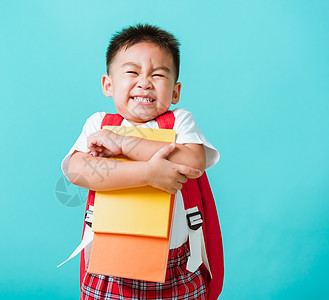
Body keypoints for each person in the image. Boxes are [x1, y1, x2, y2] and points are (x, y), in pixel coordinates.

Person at [61, 24, 220, 300]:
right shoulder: (99, 124)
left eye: (158, 74)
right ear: (108, 85)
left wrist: (124, 144)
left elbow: (194, 160)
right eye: (132, 72)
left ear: (175, 92)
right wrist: (148, 173)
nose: (144, 81)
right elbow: (78, 170)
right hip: (109, 264)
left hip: (177, 265)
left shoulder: (179, 121)